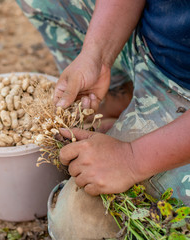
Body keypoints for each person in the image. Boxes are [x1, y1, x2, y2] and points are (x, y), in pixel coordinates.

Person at [16, 0, 190, 239]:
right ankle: (121, 98)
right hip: (152, 45)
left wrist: (132, 159)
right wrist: (97, 56)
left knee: (80, 225)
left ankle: (135, 127)